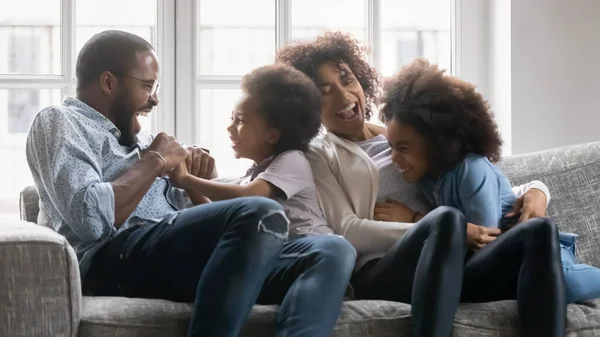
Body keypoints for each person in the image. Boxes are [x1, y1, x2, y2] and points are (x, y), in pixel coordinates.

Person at [26, 30, 355, 337]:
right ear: (109, 83)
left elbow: (203, 223)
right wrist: (154, 161)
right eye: (147, 85)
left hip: (174, 254)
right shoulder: (60, 121)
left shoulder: (139, 142)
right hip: (114, 258)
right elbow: (90, 220)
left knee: (332, 249)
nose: (154, 100)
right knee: (262, 211)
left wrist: (195, 181)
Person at [276, 31, 560, 337]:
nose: (344, 96)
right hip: (382, 270)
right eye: (324, 92)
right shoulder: (319, 154)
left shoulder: (401, 133)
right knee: (448, 219)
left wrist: (537, 191)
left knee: (540, 230)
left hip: (452, 262)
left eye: (346, 79)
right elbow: (348, 230)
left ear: (360, 78)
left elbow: (483, 181)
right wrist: (433, 227)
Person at [380, 58, 600, 306]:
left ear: (435, 142)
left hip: (541, 257)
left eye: (403, 148)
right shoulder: (426, 178)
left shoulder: (471, 170)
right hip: (510, 268)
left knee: (563, 285)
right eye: (391, 147)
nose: (394, 158)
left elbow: (484, 243)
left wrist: (415, 220)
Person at [169, 63, 334, 238]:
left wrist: (186, 179)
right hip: (281, 253)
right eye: (231, 118)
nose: (229, 127)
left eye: (240, 120)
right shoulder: (253, 175)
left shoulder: (292, 160)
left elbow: (250, 197)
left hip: (313, 246)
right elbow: (217, 212)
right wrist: (191, 188)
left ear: (272, 135)